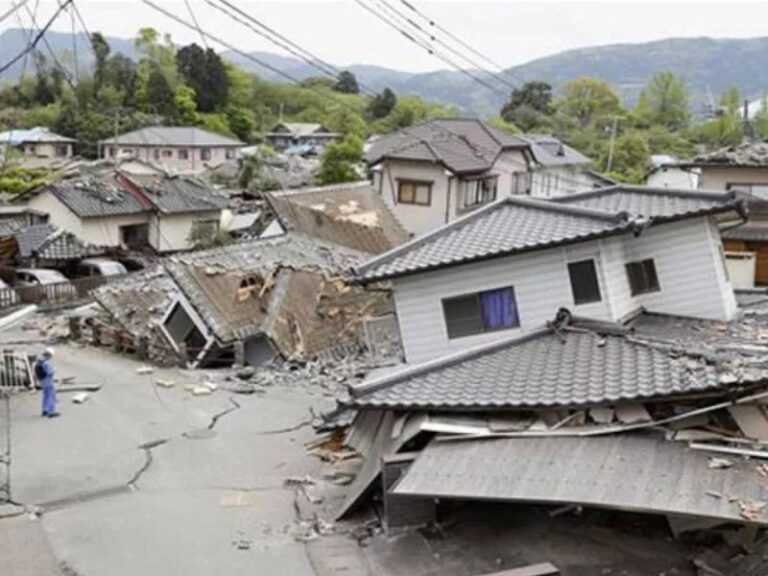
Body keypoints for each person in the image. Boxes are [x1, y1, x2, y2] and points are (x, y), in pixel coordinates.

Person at [36, 348, 58, 418]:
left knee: (46, 396)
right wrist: (54, 370)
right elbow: (50, 372)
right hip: (48, 381)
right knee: (50, 396)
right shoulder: (46, 363)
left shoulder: (39, 361)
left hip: (42, 381)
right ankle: (50, 412)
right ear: (49, 355)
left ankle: (44, 410)